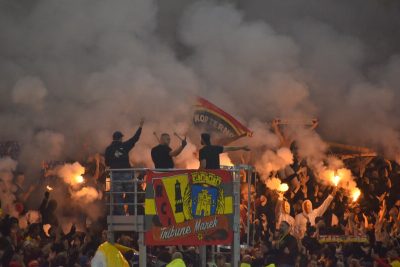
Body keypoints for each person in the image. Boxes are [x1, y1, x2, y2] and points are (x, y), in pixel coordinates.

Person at [105, 118, 144, 215]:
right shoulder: (125, 145)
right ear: (120, 138)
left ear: (113, 138)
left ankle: (121, 215)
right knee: (130, 194)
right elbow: (135, 138)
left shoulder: (108, 149)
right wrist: (140, 127)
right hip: (126, 174)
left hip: (115, 175)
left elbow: (107, 163)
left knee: (118, 197)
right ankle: (131, 214)